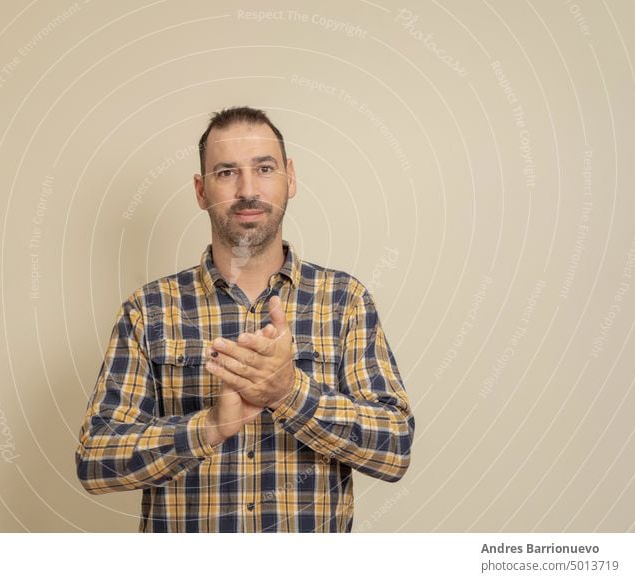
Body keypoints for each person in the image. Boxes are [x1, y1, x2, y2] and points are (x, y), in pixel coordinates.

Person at [75, 106, 415, 532]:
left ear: (290, 178)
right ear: (201, 191)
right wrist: (209, 427)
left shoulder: (344, 301)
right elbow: (95, 461)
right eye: (226, 173)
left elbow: (395, 449)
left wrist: (290, 393)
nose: (247, 189)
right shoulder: (150, 309)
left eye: (265, 168)